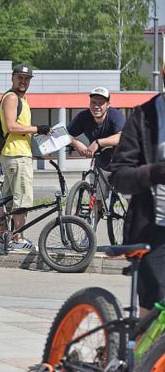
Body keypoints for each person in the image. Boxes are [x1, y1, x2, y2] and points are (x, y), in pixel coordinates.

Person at [110, 63, 165, 317]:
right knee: (155, 312)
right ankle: (139, 353)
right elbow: (120, 176)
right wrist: (155, 173)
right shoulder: (144, 118)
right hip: (154, 230)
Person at [0, 64, 51, 250]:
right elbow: (12, 127)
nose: (23, 81)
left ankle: (3, 237)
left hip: (15, 154)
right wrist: (38, 128)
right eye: (20, 77)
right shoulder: (12, 98)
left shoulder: (22, 99)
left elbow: (21, 131)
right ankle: (18, 239)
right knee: (22, 200)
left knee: (8, 200)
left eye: (27, 78)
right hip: (17, 155)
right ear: (12, 77)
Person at [68, 87, 125, 215]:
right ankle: (90, 231)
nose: (96, 106)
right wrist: (76, 143)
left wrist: (98, 142)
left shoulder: (115, 116)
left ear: (108, 105)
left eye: (101, 103)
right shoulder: (84, 116)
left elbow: (121, 136)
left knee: (130, 196)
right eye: (94, 102)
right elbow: (64, 134)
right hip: (101, 162)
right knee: (96, 199)